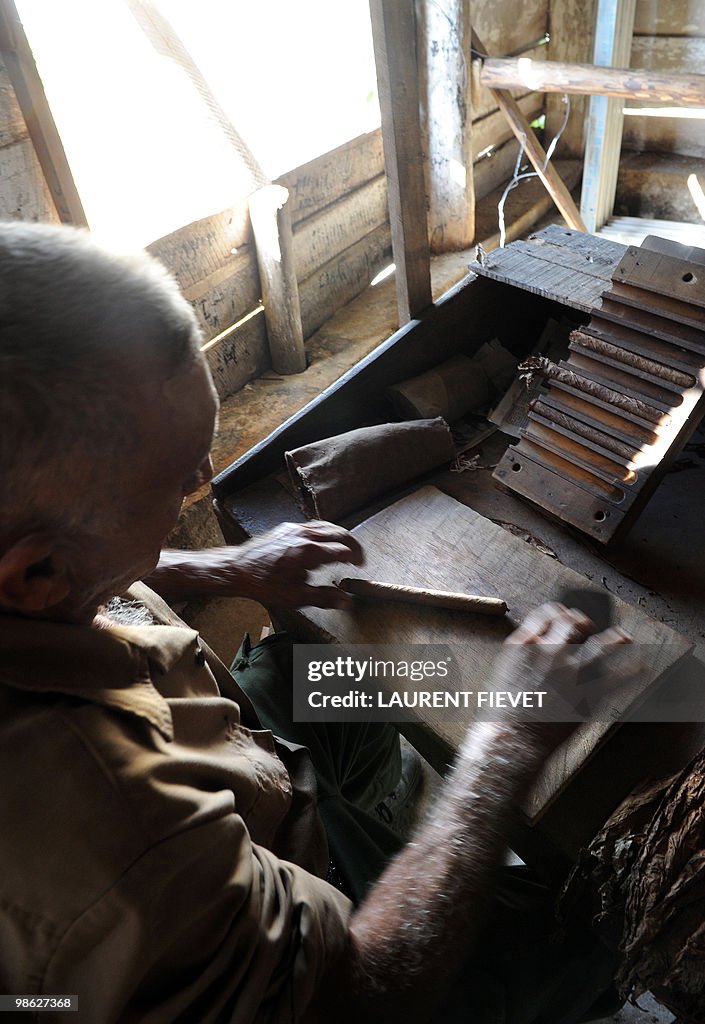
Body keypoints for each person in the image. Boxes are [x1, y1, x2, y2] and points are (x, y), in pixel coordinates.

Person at [0, 221, 629, 1023]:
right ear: (38, 575)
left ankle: (359, 818)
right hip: (315, 951)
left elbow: (81, 572)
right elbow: (357, 996)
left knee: (326, 677)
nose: (207, 475)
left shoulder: (34, 562)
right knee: (577, 930)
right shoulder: (118, 834)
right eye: (180, 476)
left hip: (241, 761)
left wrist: (223, 568)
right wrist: (504, 744)